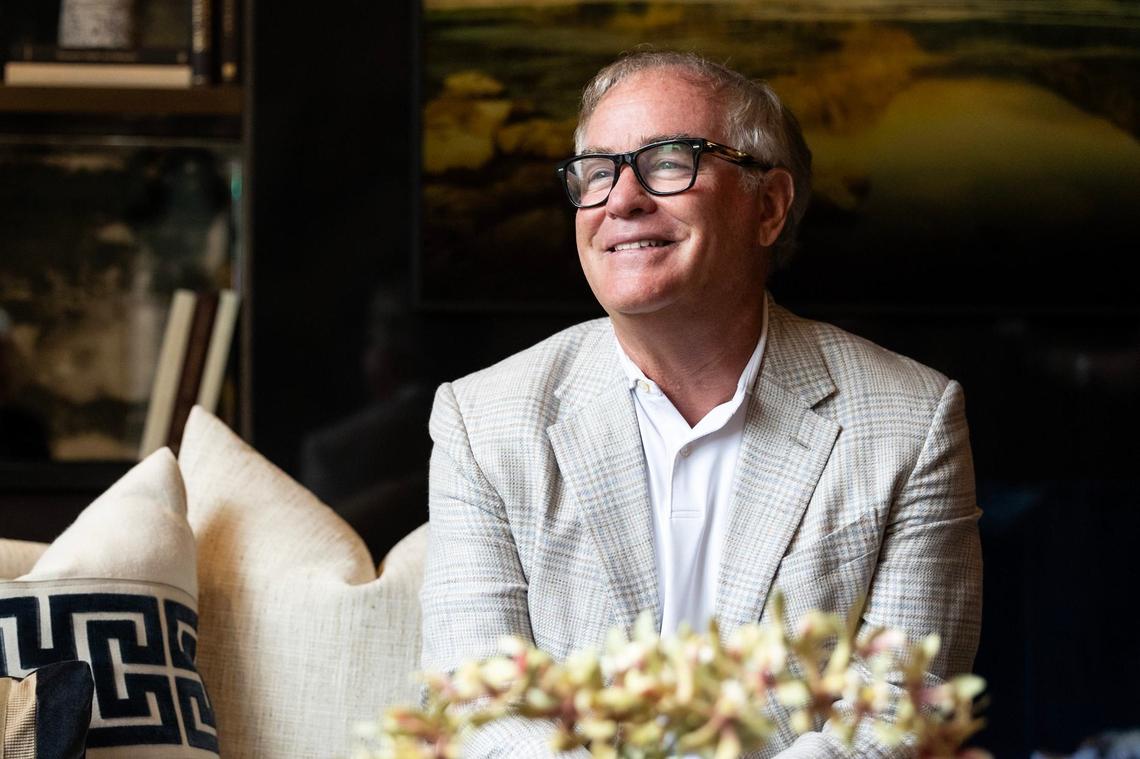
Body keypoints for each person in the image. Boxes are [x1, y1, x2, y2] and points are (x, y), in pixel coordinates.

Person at [421, 50, 982, 758]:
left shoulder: (912, 419)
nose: (620, 200)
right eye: (597, 171)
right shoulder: (484, 418)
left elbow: (903, 714)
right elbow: (474, 700)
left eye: (667, 161)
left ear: (769, 206)